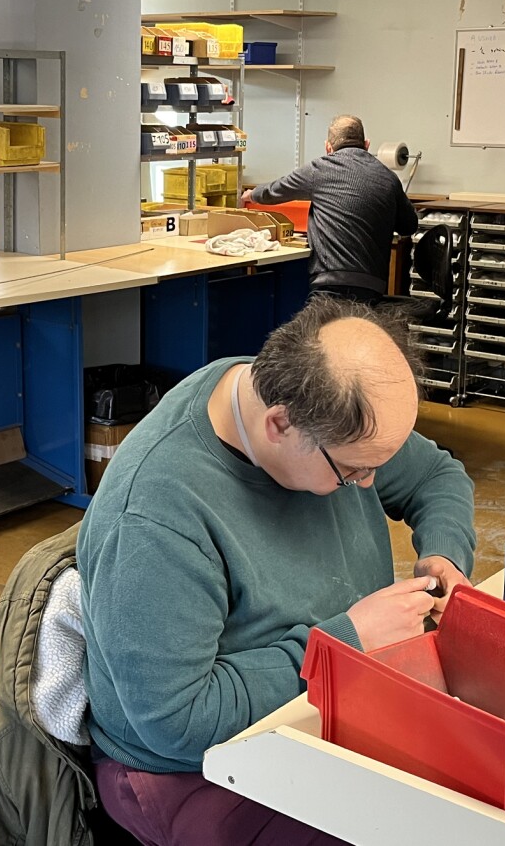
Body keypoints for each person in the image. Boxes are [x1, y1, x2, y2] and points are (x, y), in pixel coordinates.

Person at [78, 296, 477, 845]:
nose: (368, 484)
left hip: (325, 702)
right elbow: (178, 721)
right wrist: (344, 643)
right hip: (190, 768)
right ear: (280, 424)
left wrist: (445, 553)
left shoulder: (319, 406)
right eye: (355, 471)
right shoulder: (156, 516)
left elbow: (436, 475)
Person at [241, 114, 418, 304]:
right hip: (373, 288)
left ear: (328, 147)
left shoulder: (320, 169)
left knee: (320, 331)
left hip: (330, 284)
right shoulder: (388, 177)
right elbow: (409, 226)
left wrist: (251, 195)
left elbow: (276, 190)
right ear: (366, 144)